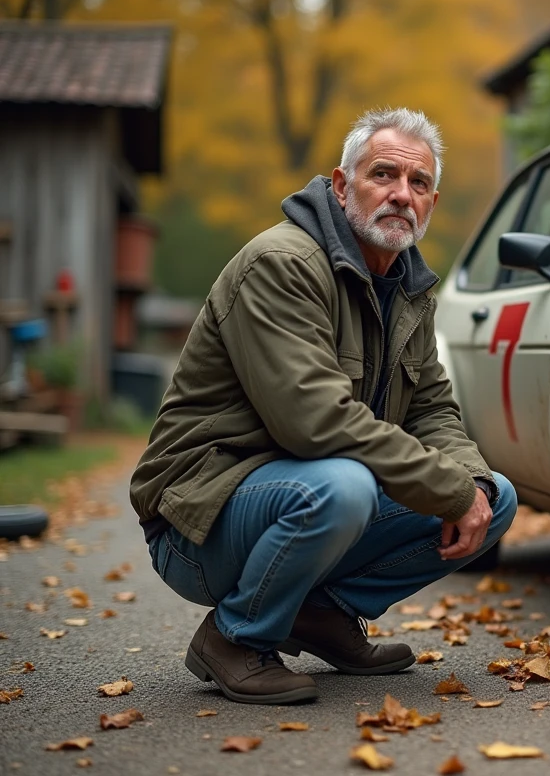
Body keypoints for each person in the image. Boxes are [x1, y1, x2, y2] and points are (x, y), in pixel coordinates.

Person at [129, 107, 516, 705]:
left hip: (299, 496)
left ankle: (318, 614)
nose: (400, 195)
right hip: (198, 522)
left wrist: (469, 484)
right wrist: (447, 489)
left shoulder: (407, 287)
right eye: (383, 174)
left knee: (495, 494)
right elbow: (316, 422)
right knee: (343, 485)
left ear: (432, 202)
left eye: (418, 184)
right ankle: (233, 638)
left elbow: (433, 409)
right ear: (341, 186)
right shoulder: (282, 264)